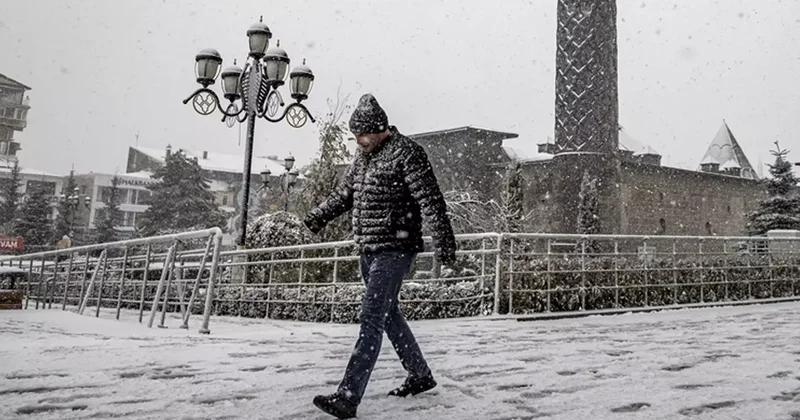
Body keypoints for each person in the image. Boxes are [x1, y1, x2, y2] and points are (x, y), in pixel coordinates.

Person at [304, 93, 457, 419]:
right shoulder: (362, 158)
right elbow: (345, 195)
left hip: (396, 249)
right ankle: (420, 375)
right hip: (369, 249)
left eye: (365, 134)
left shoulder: (408, 153)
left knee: (371, 318)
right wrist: (319, 215)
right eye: (356, 135)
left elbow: (431, 201)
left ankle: (348, 397)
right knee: (387, 315)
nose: (360, 141)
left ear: (381, 128)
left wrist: (444, 243)